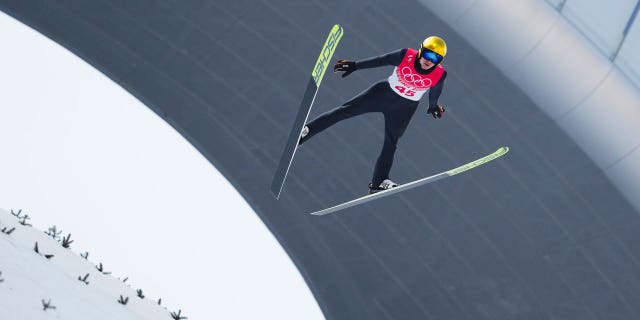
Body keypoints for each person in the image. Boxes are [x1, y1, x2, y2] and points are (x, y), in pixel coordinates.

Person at [299, 36, 448, 194]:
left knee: (391, 143)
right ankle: (305, 132)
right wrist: (355, 66)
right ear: (420, 51)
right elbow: (380, 60)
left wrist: (433, 107)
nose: (429, 61)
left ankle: (379, 182)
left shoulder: (440, 74)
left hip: (404, 108)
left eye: (436, 58)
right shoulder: (406, 55)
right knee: (345, 111)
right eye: (427, 55)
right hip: (382, 94)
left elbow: (435, 92)